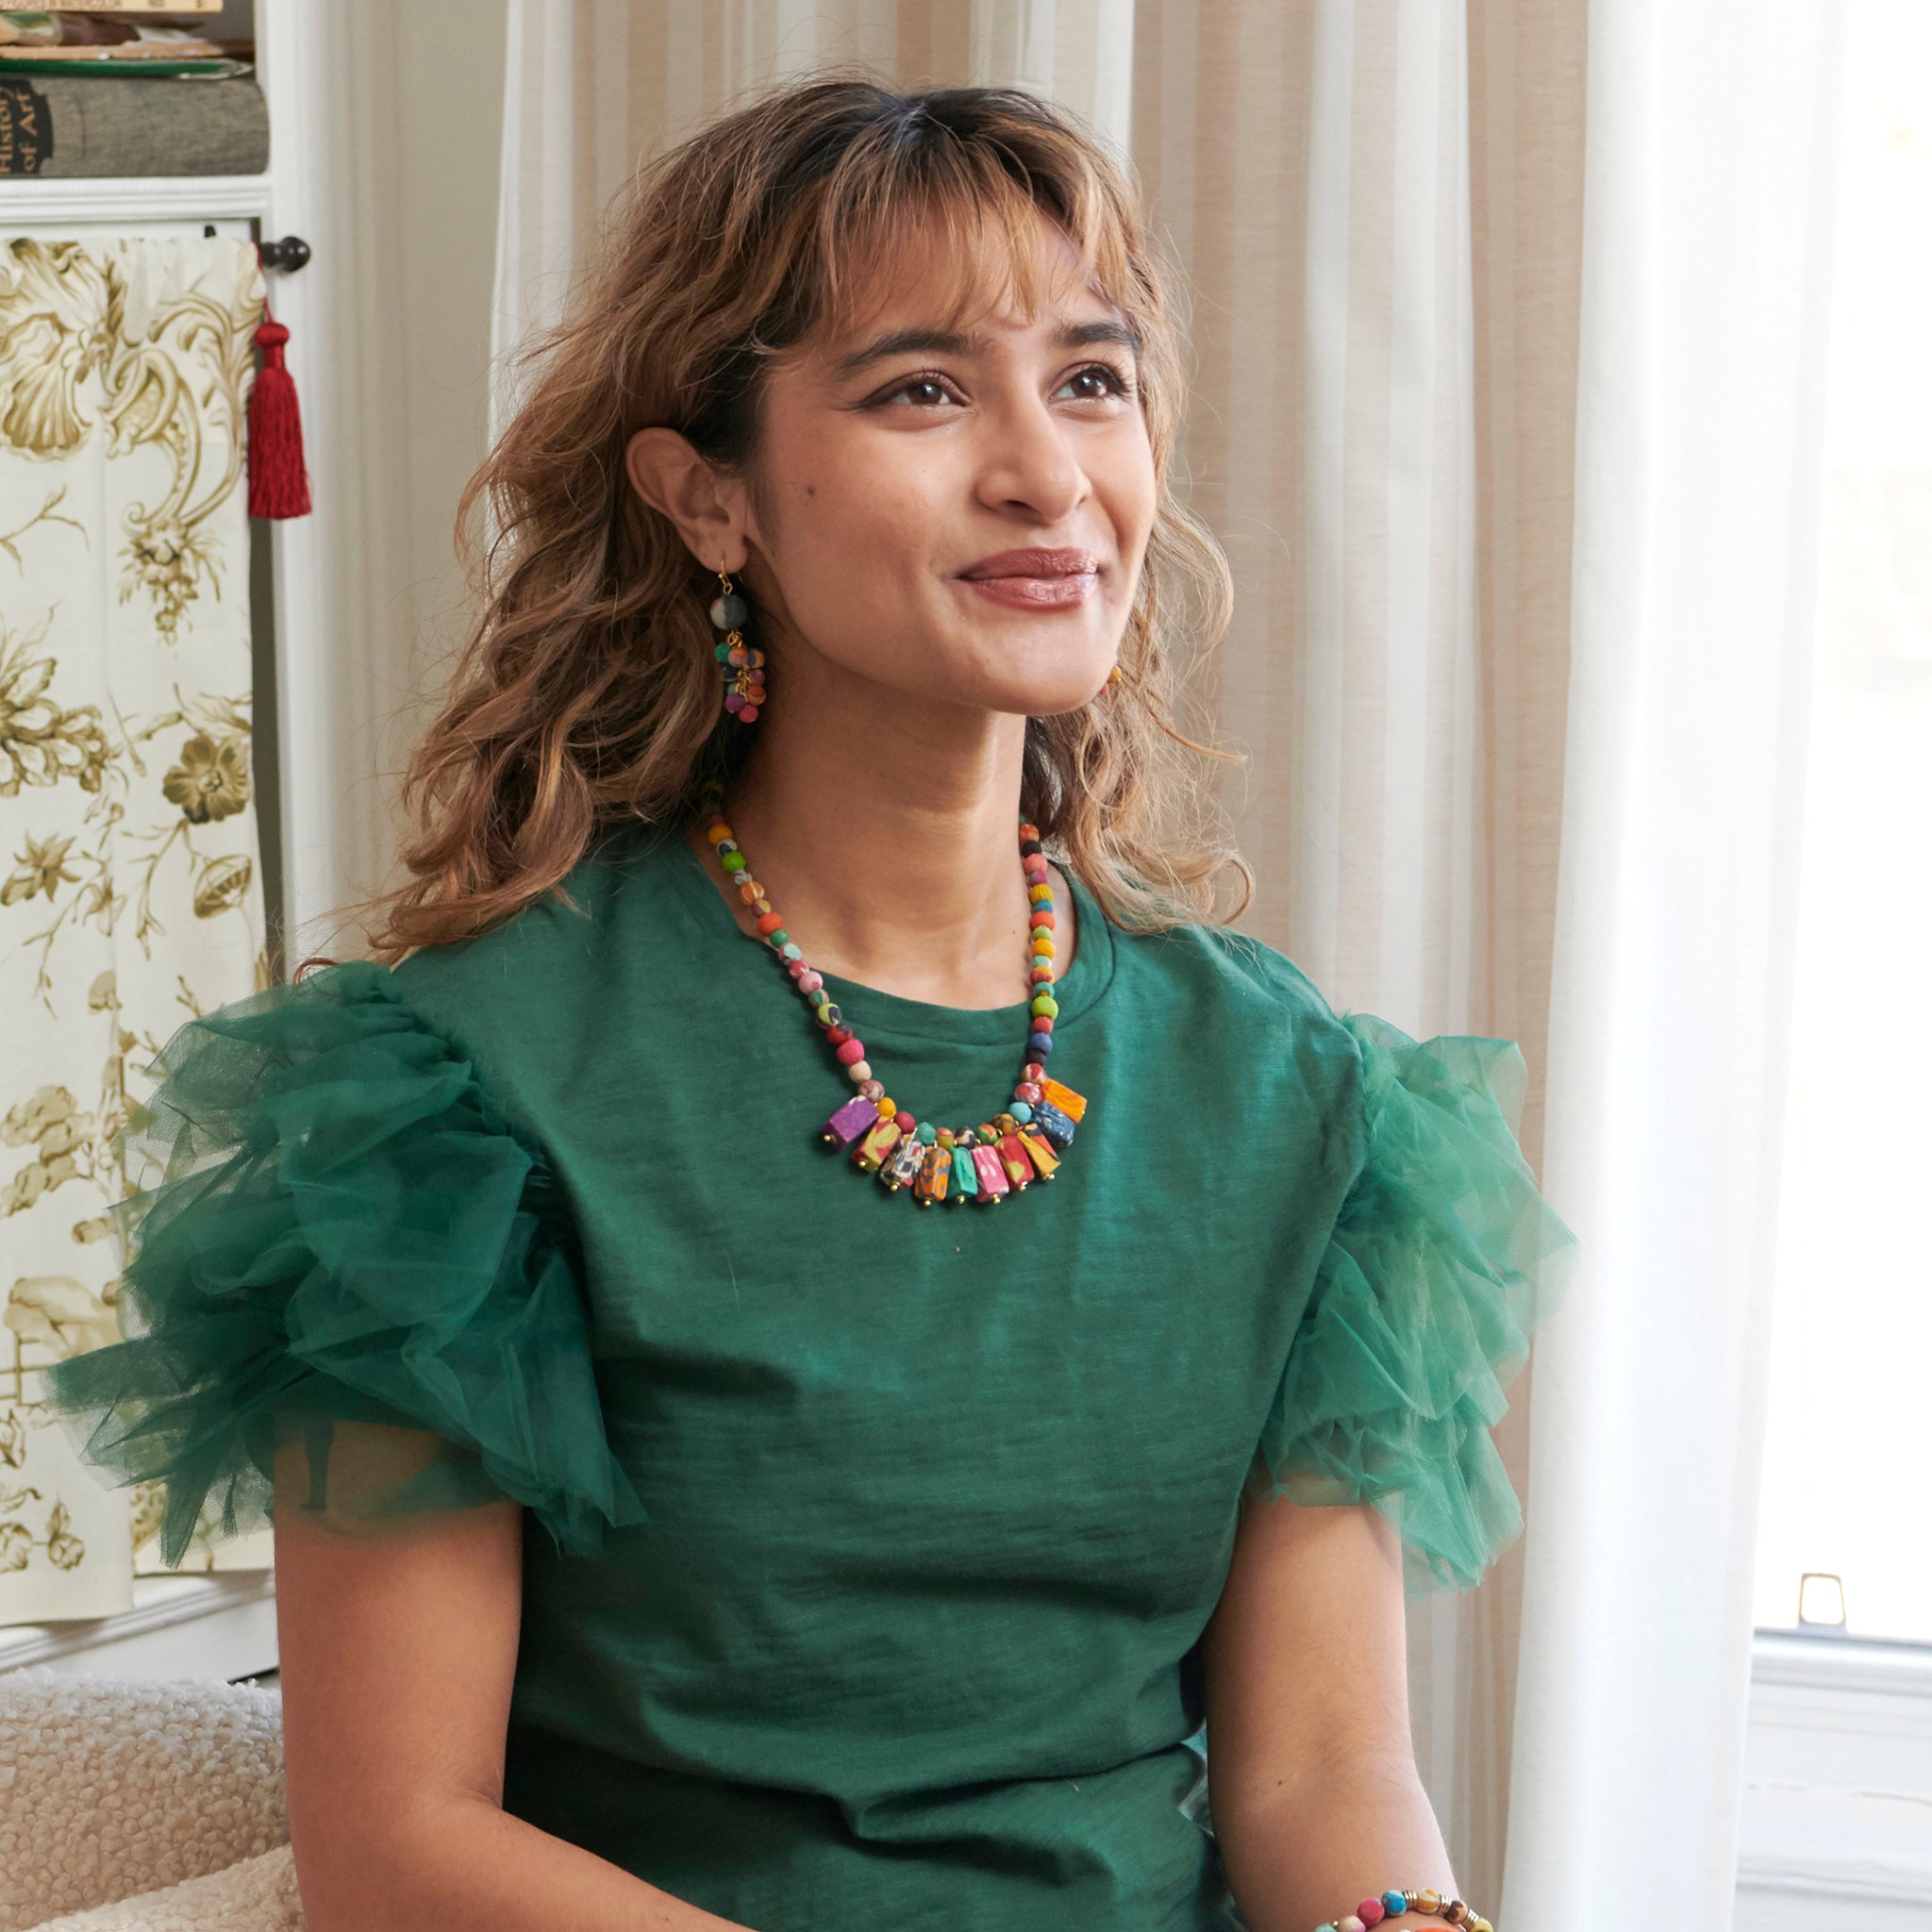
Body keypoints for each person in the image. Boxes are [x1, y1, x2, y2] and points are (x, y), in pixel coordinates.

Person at [40, 76, 1576, 1932]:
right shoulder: (449, 1094)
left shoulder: (1292, 1092)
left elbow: (1317, 1770)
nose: (1044, 470)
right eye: (924, 388)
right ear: (706, 495)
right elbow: (399, 1849)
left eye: (1090, 379)